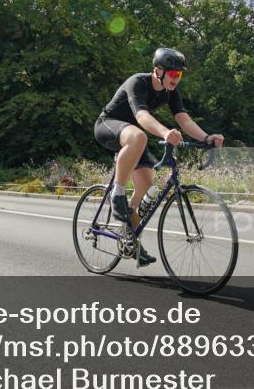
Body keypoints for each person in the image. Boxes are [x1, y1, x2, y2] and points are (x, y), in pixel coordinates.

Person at [94, 48, 224, 266]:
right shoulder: (138, 82)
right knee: (139, 136)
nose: (176, 78)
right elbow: (141, 115)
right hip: (107, 125)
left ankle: (130, 240)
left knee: (146, 186)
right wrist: (165, 132)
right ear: (158, 70)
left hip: (133, 138)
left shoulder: (171, 92)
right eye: (172, 73)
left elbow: (184, 120)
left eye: (179, 74)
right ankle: (117, 194)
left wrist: (207, 137)